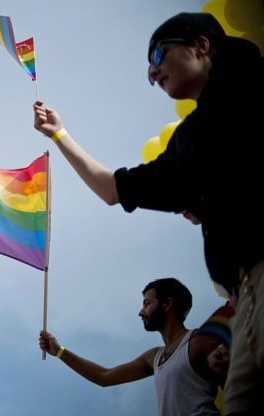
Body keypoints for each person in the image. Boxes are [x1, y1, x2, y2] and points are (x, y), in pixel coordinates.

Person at [32, 12, 263, 414]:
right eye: (148, 68)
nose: (154, 71)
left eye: (159, 53)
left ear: (202, 45)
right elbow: (111, 188)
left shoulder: (253, 86)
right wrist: (59, 135)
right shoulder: (192, 142)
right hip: (245, 293)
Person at [39, 278, 224, 416]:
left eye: (147, 303)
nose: (140, 312)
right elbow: (104, 377)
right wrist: (59, 351)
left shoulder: (200, 341)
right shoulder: (154, 357)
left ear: (167, 304)